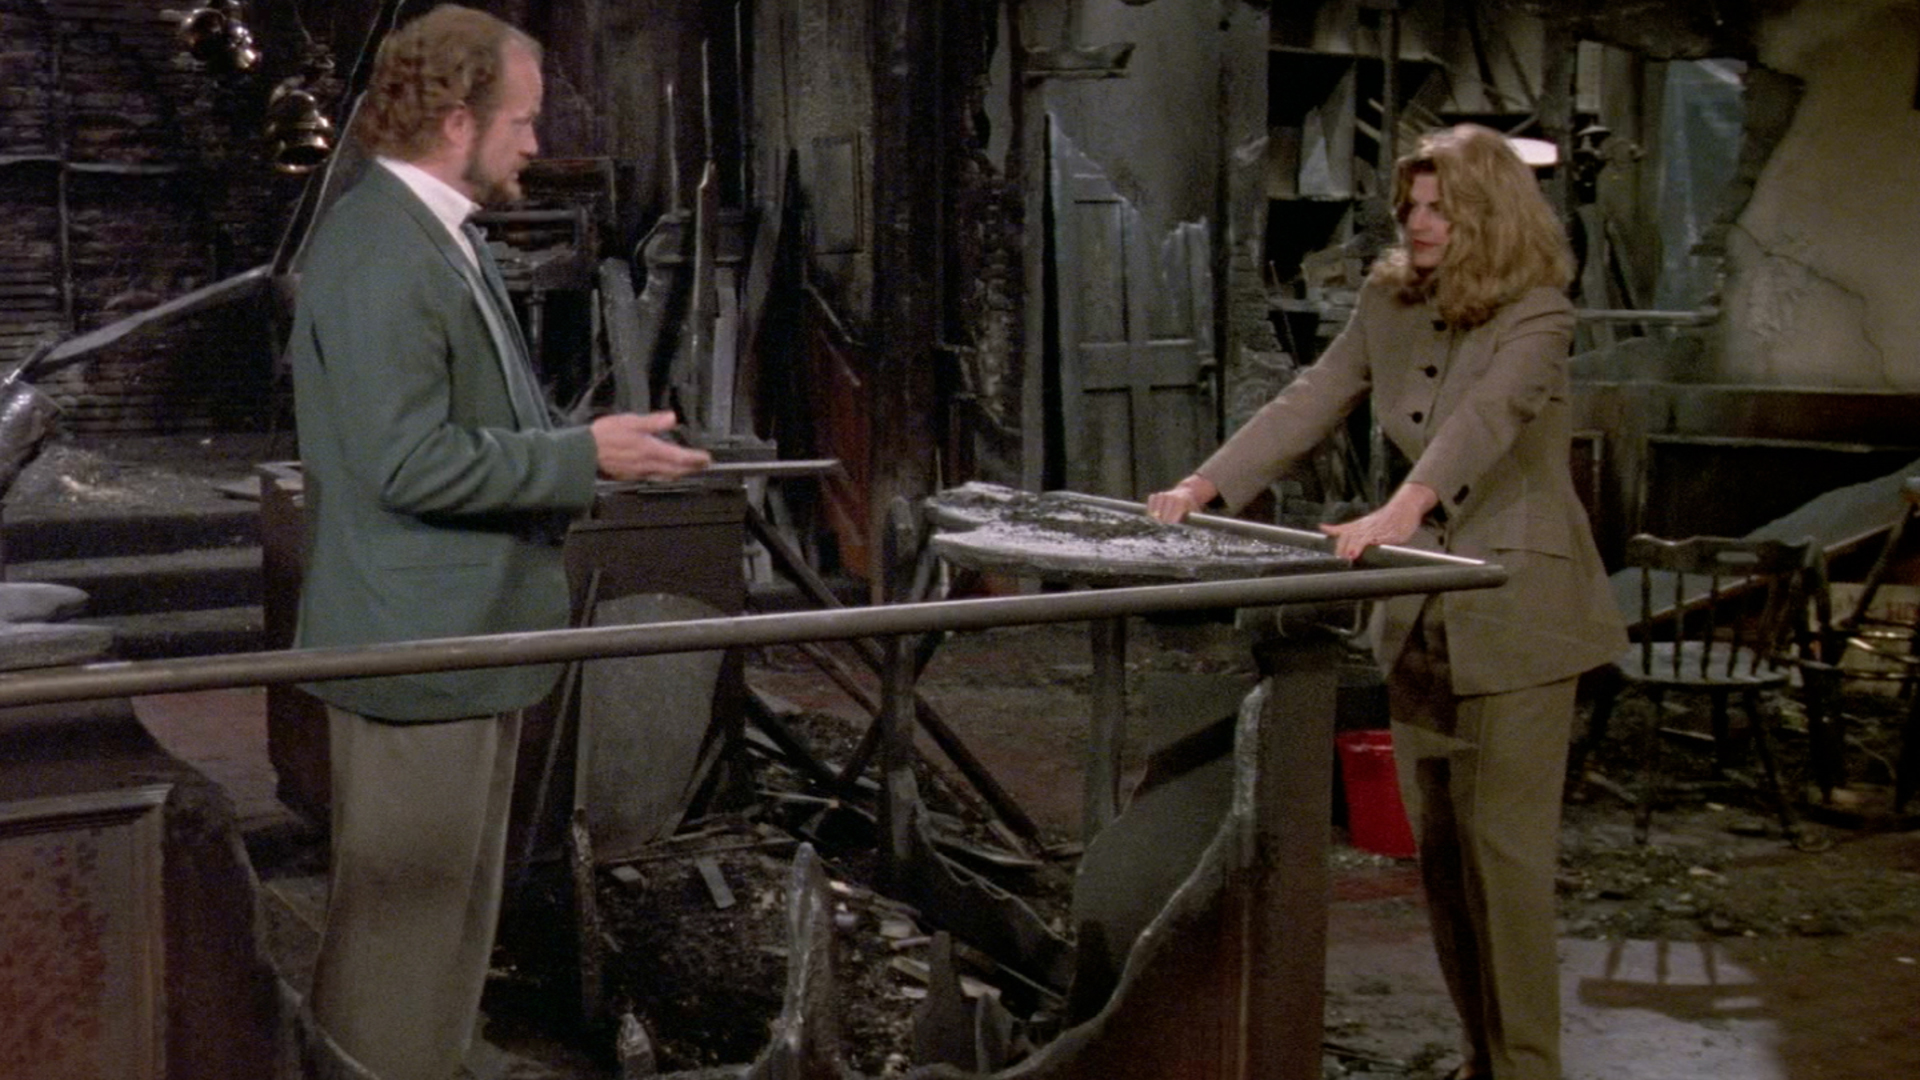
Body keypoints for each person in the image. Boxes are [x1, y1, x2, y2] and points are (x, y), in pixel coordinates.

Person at [1148, 124, 1626, 1080]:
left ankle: (1529, 1069)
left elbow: (1489, 415)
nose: (1419, 221)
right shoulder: (1389, 299)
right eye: (1412, 205)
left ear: (1490, 213)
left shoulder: (1539, 312)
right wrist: (1206, 485)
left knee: (1504, 864)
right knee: (1442, 859)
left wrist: (1404, 505)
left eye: (1441, 207)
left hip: (1519, 611)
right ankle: (1482, 1058)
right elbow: (1313, 395)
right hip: (1419, 613)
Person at [285, 7, 710, 1078]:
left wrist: (588, 448)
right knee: (400, 918)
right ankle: (376, 1065)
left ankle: (437, 1051)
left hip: (467, 629)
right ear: (454, 121)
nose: (534, 142)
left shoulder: (441, 235)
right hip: (414, 643)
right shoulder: (380, 252)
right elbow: (406, 464)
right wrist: (579, 456)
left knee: (458, 900)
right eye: (520, 121)